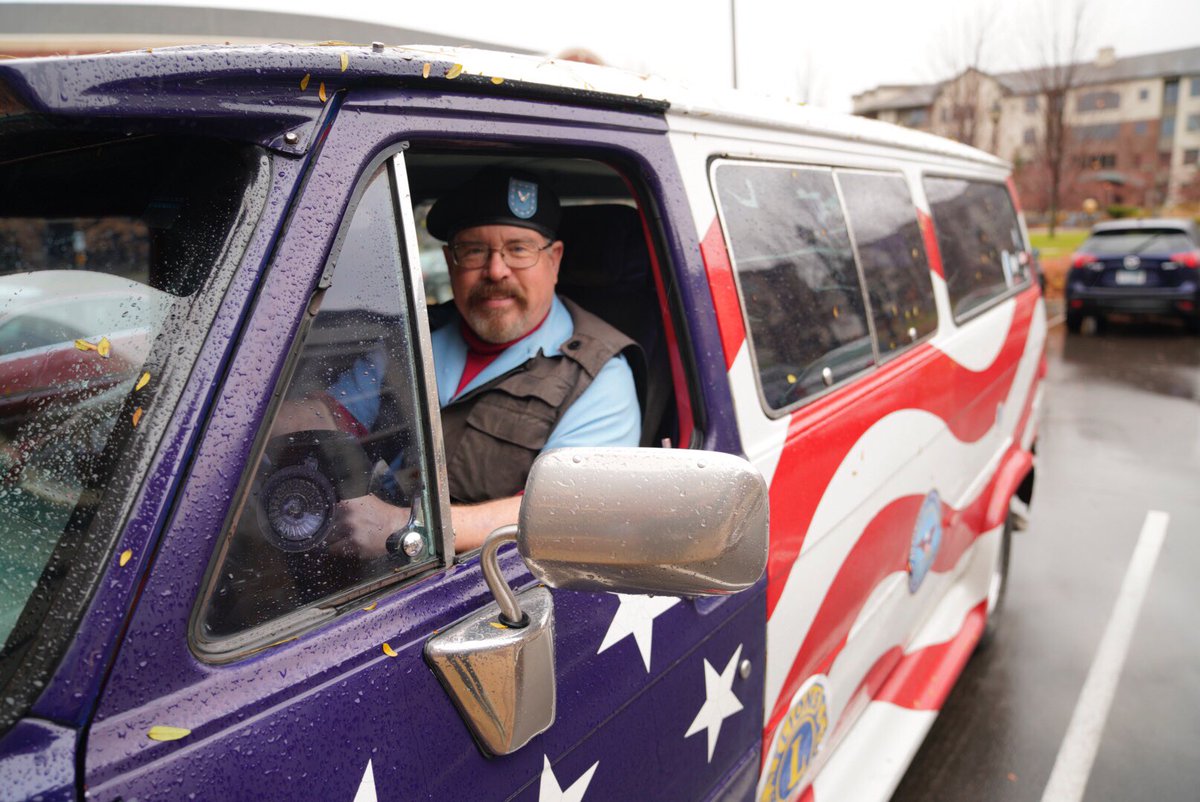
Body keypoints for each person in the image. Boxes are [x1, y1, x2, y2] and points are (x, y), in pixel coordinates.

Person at [278, 168, 642, 554]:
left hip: (486, 584)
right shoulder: (417, 336)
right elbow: (331, 412)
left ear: (553, 260)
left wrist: (407, 526)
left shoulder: (600, 377)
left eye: (518, 249)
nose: (496, 271)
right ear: (451, 262)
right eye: (474, 251)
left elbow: (571, 510)